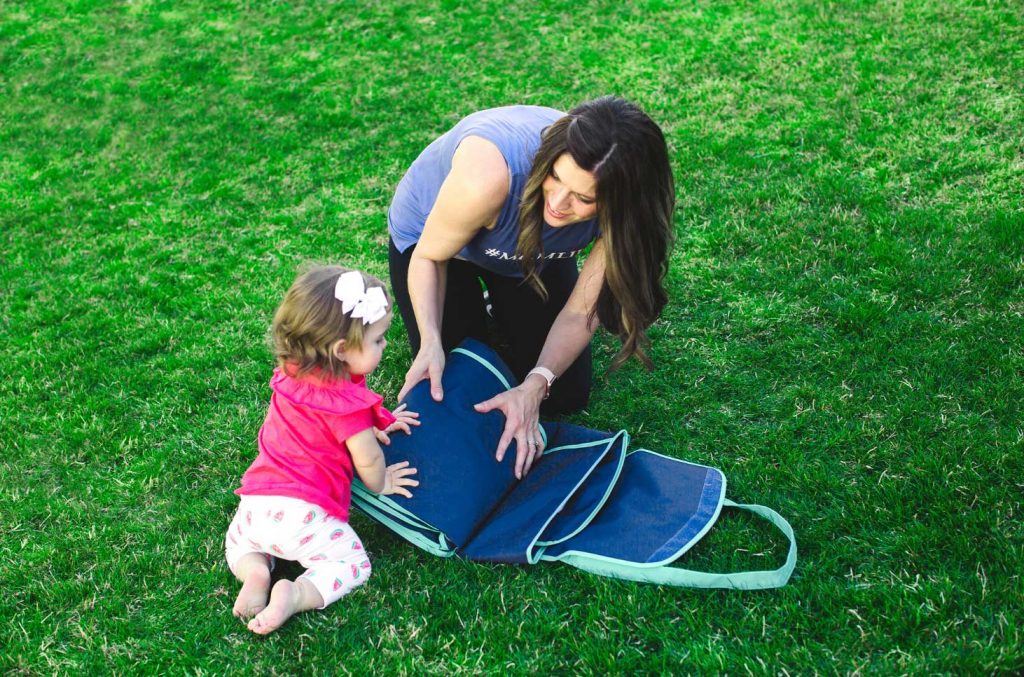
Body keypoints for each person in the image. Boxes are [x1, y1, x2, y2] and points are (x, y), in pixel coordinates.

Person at [388, 96, 674, 480]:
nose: (557, 203)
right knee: (465, 385)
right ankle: (484, 309)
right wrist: (430, 341)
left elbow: (579, 311)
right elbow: (429, 258)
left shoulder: (628, 216)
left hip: (530, 253)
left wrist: (537, 384)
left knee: (567, 393)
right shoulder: (486, 177)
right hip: (438, 249)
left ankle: (498, 306)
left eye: (584, 198)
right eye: (555, 177)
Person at [225, 266, 420, 635]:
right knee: (353, 565)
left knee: (239, 542)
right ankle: (295, 593)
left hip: (256, 507)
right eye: (379, 340)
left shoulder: (291, 374)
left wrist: (379, 419)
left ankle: (253, 571)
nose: (386, 345)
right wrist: (382, 483)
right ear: (342, 350)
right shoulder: (348, 407)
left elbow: (323, 424)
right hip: (307, 518)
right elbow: (367, 457)